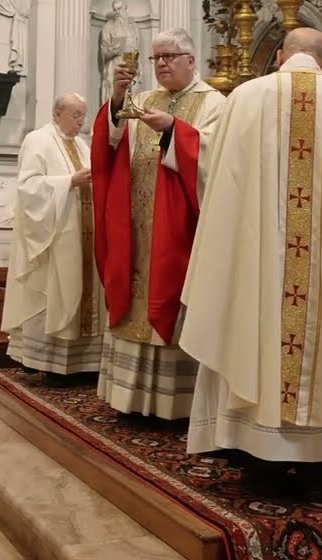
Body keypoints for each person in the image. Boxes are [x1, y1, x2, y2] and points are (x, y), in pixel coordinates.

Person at [179, 28, 322, 480]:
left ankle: (255, 443)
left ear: (279, 56)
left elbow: (220, 186)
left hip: (260, 261)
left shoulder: (246, 97)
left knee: (251, 323)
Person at [91, 28, 227, 420]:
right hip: (134, 225)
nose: (163, 63)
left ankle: (175, 404)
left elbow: (218, 157)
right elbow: (111, 145)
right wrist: (117, 99)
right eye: (157, 58)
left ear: (191, 60)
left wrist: (174, 130)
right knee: (130, 293)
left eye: (171, 56)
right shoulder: (144, 99)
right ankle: (128, 398)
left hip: (179, 228)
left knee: (169, 294)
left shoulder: (214, 103)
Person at [2, 93, 104, 383]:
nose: (81, 121)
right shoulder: (38, 140)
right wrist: (69, 182)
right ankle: (47, 360)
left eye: (83, 115)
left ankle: (83, 362)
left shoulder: (82, 146)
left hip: (82, 238)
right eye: (75, 114)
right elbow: (28, 187)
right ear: (58, 113)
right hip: (53, 239)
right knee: (53, 295)